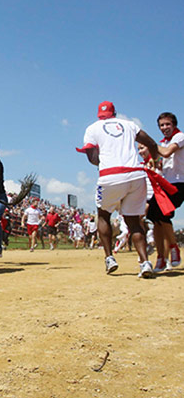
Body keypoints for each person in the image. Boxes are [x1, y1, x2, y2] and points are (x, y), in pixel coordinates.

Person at [77, 101, 159, 278]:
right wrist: (156, 160)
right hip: (136, 174)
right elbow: (151, 144)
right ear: (115, 113)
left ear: (99, 114)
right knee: (134, 222)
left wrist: (105, 159)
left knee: (104, 214)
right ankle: (145, 263)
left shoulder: (92, 128)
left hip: (110, 175)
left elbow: (92, 158)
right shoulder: (129, 125)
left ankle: (109, 257)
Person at [146, 112, 184, 271]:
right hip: (165, 184)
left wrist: (150, 144)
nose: (164, 128)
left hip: (179, 183)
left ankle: (174, 247)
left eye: (167, 124)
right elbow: (159, 162)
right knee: (154, 217)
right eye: (161, 125)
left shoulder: (180, 137)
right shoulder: (163, 142)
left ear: (174, 125)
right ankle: (161, 257)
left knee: (163, 214)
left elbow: (167, 152)